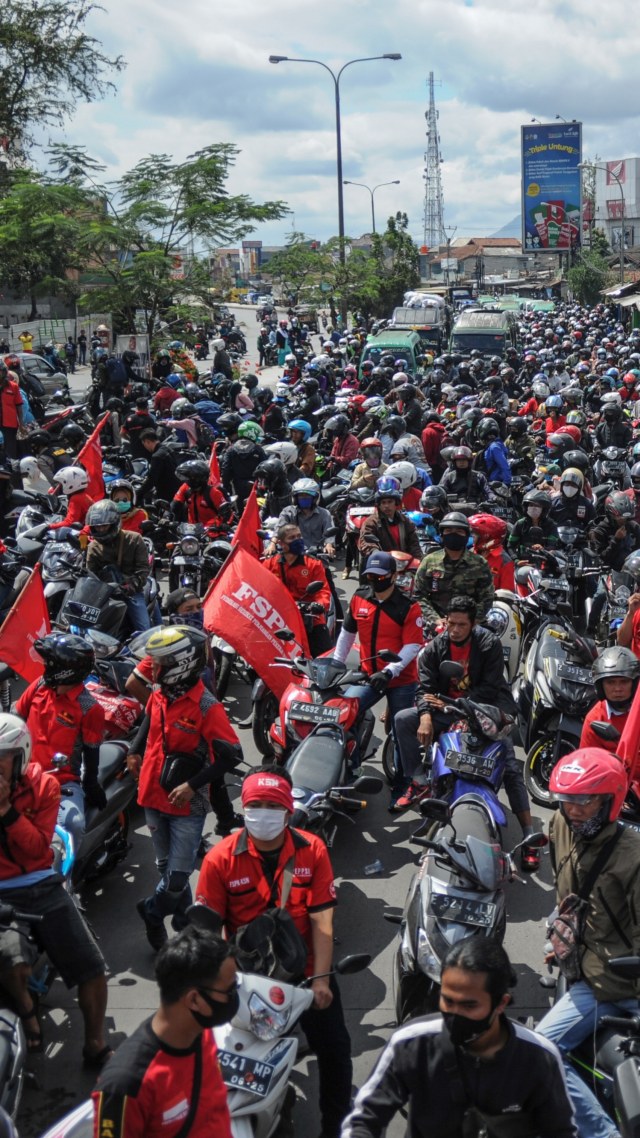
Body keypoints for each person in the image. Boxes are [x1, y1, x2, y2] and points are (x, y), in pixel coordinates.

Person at [196, 767, 352, 1138]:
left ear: (287, 811)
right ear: (244, 808)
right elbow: (207, 932)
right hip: (248, 980)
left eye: (271, 805)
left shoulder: (312, 850)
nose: (262, 813)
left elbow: (322, 921)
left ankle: (335, 1126)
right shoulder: (219, 859)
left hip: (306, 973)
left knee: (335, 1050)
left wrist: (322, 979)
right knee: (236, 1062)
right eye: (256, 805)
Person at [343, 937, 577, 1138]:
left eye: (469, 1005)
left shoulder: (539, 1057)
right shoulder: (411, 1043)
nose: (455, 1014)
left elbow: (560, 1131)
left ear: (500, 1003)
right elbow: (364, 1119)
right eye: (448, 1000)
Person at [538, 748, 640, 1138]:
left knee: (538, 1050)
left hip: (614, 980)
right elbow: (565, 892)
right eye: (567, 799)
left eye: (585, 800)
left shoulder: (633, 857)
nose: (574, 810)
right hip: (586, 963)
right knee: (543, 1051)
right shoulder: (559, 826)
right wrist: (562, 938)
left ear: (611, 800)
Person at [0, 713, 111, 1065]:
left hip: (39, 882)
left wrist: (5, 811)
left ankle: (95, 1044)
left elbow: (36, 850)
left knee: (92, 969)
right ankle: (27, 1012)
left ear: (19, 757)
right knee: (13, 963)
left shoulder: (45, 788)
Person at [392, 597, 535, 861]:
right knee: (403, 719)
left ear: (474, 624)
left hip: (486, 712)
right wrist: (425, 715)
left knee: (510, 765)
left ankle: (529, 835)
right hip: (446, 710)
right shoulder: (436, 647)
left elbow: (490, 688)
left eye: (461, 624)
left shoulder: (488, 644)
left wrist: (453, 703)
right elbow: (424, 688)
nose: (455, 629)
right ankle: (418, 781)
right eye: (451, 623)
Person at [127, 626, 242, 950]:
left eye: (161, 664)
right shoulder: (164, 691)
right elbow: (150, 717)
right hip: (151, 792)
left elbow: (232, 756)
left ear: (182, 665)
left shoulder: (206, 706)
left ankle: (151, 912)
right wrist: (135, 750)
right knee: (167, 869)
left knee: (177, 875)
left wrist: (193, 786)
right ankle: (185, 926)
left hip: (186, 806)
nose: (155, 670)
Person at [92, 926, 234, 1138]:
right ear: (194, 1000)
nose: (235, 996)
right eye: (230, 990)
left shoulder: (201, 1030)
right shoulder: (124, 1085)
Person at [333, 551, 423, 788]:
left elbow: (412, 646)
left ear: (393, 576)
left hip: (400, 679)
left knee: (400, 729)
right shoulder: (359, 597)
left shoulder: (408, 606)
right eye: (370, 575)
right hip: (367, 675)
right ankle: (351, 768)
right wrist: (335, 664)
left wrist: (390, 671)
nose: (375, 580)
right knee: (343, 715)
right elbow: (346, 634)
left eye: (380, 575)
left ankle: (402, 783)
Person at [15, 632, 106, 845]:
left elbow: (92, 752)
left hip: (61, 781)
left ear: (66, 670)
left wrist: (91, 785)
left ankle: (65, 877)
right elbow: (17, 718)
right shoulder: (39, 685)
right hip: (23, 774)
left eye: (50, 663)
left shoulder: (90, 708)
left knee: (72, 824)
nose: (45, 666)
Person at [415, 512, 495, 629]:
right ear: (442, 535)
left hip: (471, 626)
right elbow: (418, 595)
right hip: (437, 626)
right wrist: (435, 619)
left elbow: (487, 597)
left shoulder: (479, 563)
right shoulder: (429, 561)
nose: (453, 535)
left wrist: (469, 621)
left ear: (466, 536)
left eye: (459, 532)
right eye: (448, 531)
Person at [263, 523, 333, 656]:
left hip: (309, 617)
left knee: (325, 657)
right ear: (281, 543)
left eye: (299, 536)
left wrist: (319, 605)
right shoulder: (269, 564)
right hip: (277, 617)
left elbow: (323, 591)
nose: (298, 540)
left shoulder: (313, 564)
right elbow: (260, 588)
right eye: (292, 538)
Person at [86, 499, 151, 633]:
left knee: (143, 630)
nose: (100, 529)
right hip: (104, 594)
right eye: (97, 526)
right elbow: (90, 573)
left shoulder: (134, 539)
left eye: (104, 526)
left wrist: (129, 587)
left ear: (114, 523)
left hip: (131, 592)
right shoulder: (93, 547)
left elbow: (143, 570)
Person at [580, 647, 640, 758]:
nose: (617, 688)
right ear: (600, 686)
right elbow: (588, 764)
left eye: (624, 681)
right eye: (610, 682)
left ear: (635, 683)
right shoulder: (594, 719)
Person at [359, 476, 422, 563]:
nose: (386, 506)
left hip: (403, 563)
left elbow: (414, 544)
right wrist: (376, 553)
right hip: (380, 564)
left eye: (390, 502)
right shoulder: (371, 522)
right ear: (379, 505)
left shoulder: (405, 521)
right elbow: (367, 542)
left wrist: (418, 560)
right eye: (383, 503)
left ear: (396, 503)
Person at [275, 479, 335, 555]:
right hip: (293, 554)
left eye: (307, 495)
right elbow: (279, 529)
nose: (304, 498)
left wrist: (328, 545)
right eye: (301, 495)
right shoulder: (288, 512)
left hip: (317, 556)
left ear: (314, 498)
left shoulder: (324, 514)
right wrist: (272, 544)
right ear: (296, 498)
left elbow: (329, 531)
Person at [171, 460, 233, 529]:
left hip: (211, 531)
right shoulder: (186, 487)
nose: (186, 480)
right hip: (191, 530)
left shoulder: (213, 492)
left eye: (189, 478)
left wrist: (221, 525)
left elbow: (227, 513)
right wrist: (167, 516)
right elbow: (175, 504)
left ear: (197, 479)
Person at [220, 420, 266, 511]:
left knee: (240, 513)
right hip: (255, 486)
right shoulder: (258, 450)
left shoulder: (230, 450)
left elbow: (225, 470)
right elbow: (265, 468)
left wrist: (227, 490)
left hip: (237, 487)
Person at [468, 514, 515, 591]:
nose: (472, 536)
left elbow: (507, 595)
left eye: (475, 533)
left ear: (487, 537)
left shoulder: (505, 561)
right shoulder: (470, 553)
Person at [508, 490, 559, 559]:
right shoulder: (520, 524)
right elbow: (510, 545)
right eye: (531, 505)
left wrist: (543, 549)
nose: (534, 508)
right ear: (526, 507)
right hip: (524, 561)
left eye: (537, 505)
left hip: (545, 561)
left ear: (544, 509)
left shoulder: (551, 525)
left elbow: (553, 545)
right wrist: (517, 561)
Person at [138, 429, 181, 503]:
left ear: (147, 442)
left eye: (144, 444)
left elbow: (151, 480)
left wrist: (139, 493)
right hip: (177, 489)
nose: (145, 447)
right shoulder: (167, 449)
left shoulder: (157, 456)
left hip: (167, 495)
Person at [49, 466, 94, 530]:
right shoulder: (85, 495)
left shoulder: (76, 499)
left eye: (62, 484)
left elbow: (70, 522)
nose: (60, 486)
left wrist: (49, 526)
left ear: (71, 484)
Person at [0, 362, 24, 460]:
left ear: (4, 372)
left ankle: (12, 470)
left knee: (10, 450)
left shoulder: (13, 386)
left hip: (10, 424)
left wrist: (21, 424)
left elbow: (19, 406)